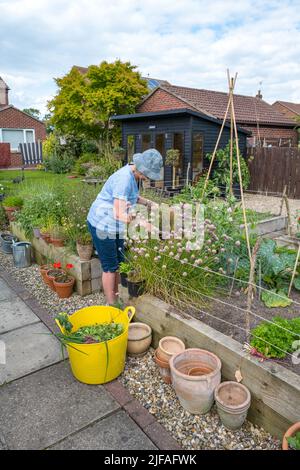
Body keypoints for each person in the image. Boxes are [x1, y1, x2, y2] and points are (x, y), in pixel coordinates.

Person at [87, 148, 163, 305]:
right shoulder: (124, 179)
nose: (148, 178)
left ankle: (114, 297)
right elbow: (119, 214)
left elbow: (132, 197)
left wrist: (149, 203)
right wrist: (143, 224)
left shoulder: (133, 174)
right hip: (103, 224)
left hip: (114, 225)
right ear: (142, 168)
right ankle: (112, 305)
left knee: (118, 263)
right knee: (110, 266)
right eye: (148, 174)